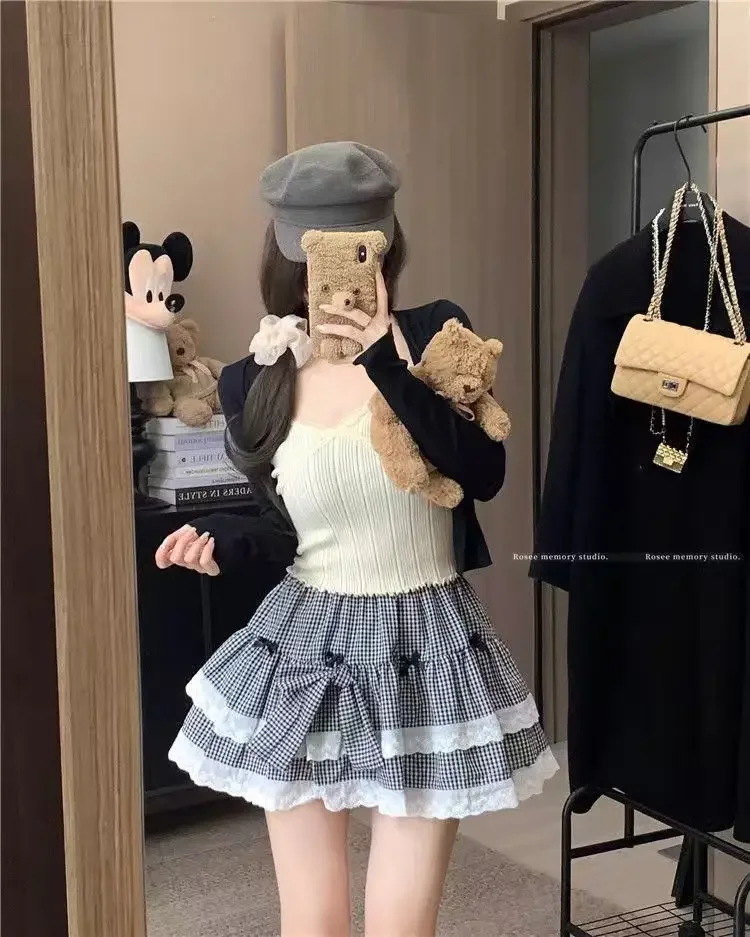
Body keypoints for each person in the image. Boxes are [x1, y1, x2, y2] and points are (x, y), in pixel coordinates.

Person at [156, 142, 556, 937]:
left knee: (400, 926)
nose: (340, 271)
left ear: (386, 247)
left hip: (425, 641)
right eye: (321, 252)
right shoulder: (256, 375)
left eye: (358, 247)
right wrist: (222, 537)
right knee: (311, 920)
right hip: (304, 643)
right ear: (289, 258)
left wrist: (386, 366)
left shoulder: (437, 333)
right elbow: (285, 528)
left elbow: (484, 471)